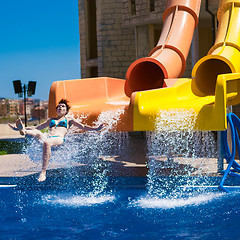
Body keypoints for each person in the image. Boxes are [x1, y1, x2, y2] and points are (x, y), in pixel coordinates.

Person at [8, 99, 103, 182]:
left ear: (66, 110)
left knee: (46, 142)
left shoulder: (69, 119)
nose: (60, 108)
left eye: (63, 106)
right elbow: (36, 127)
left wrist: (95, 128)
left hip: (58, 139)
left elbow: (83, 127)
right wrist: (17, 129)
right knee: (37, 132)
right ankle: (22, 131)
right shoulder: (51, 120)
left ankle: (43, 171)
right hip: (47, 137)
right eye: (58, 106)